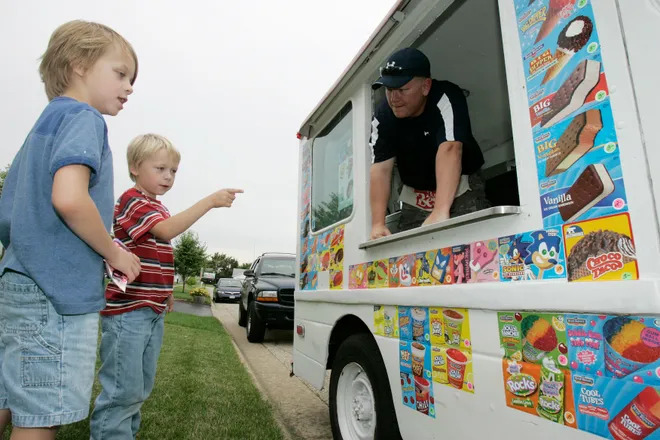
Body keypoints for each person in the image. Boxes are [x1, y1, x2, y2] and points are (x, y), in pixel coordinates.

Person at [0, 21, 142, 440]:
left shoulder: (41, 127)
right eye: (120, 73)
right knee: (40, 416)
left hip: (18, 281)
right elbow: (69, 198)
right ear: (80, 65)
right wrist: (114, 251)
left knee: (10, 397)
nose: (129, 87)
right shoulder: (84, 118)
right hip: (54, 296)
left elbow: (10, 218)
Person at [89, 134, 243, 439]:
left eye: (173, 171)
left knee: (139, 388)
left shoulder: (156, 206)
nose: (168, 176)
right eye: (160, 169)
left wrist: (166, 292)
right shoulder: (133, 201)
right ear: (135, 167)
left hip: (150, 310)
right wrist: (209, 202)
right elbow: (165, 232)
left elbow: (158, 255)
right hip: (128, 313)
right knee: (123, 390)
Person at [369, 47, 489, 239]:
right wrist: (377, 224)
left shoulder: (446, 96)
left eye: (401, 89)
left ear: (425, 86)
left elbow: (450, 148)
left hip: (461, 190)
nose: (394, 98)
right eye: (389, 90)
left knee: (474, 243)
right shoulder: (383, 115)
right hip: (415, 199)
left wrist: (440, 211)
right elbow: (380, 169)